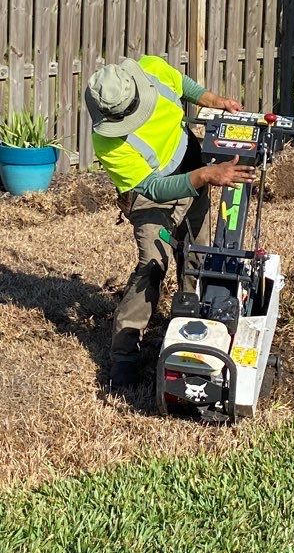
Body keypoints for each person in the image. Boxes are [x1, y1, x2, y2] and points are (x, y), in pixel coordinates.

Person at [84, 55, 255, 390]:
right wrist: (206, 175)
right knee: (153, 263)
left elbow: (183, 85)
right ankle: (125, 356)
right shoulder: (106, 142)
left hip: (193, 164)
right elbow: (153, 187)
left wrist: (214, 100)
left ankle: (195, 327)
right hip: (151, 196)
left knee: (199, 255)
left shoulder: (151, 68)